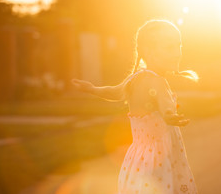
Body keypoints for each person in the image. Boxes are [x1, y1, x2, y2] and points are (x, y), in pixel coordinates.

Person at [72, 19, 198, 194]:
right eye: (170, 47)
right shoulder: (157, 82)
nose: (177, 53)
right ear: (148, 51)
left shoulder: (135, 79)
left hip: (138, 158)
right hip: (159, 159)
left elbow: (114, 92)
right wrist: (170, 115)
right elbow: (165, 104)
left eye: (179, 46)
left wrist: (92, 89)